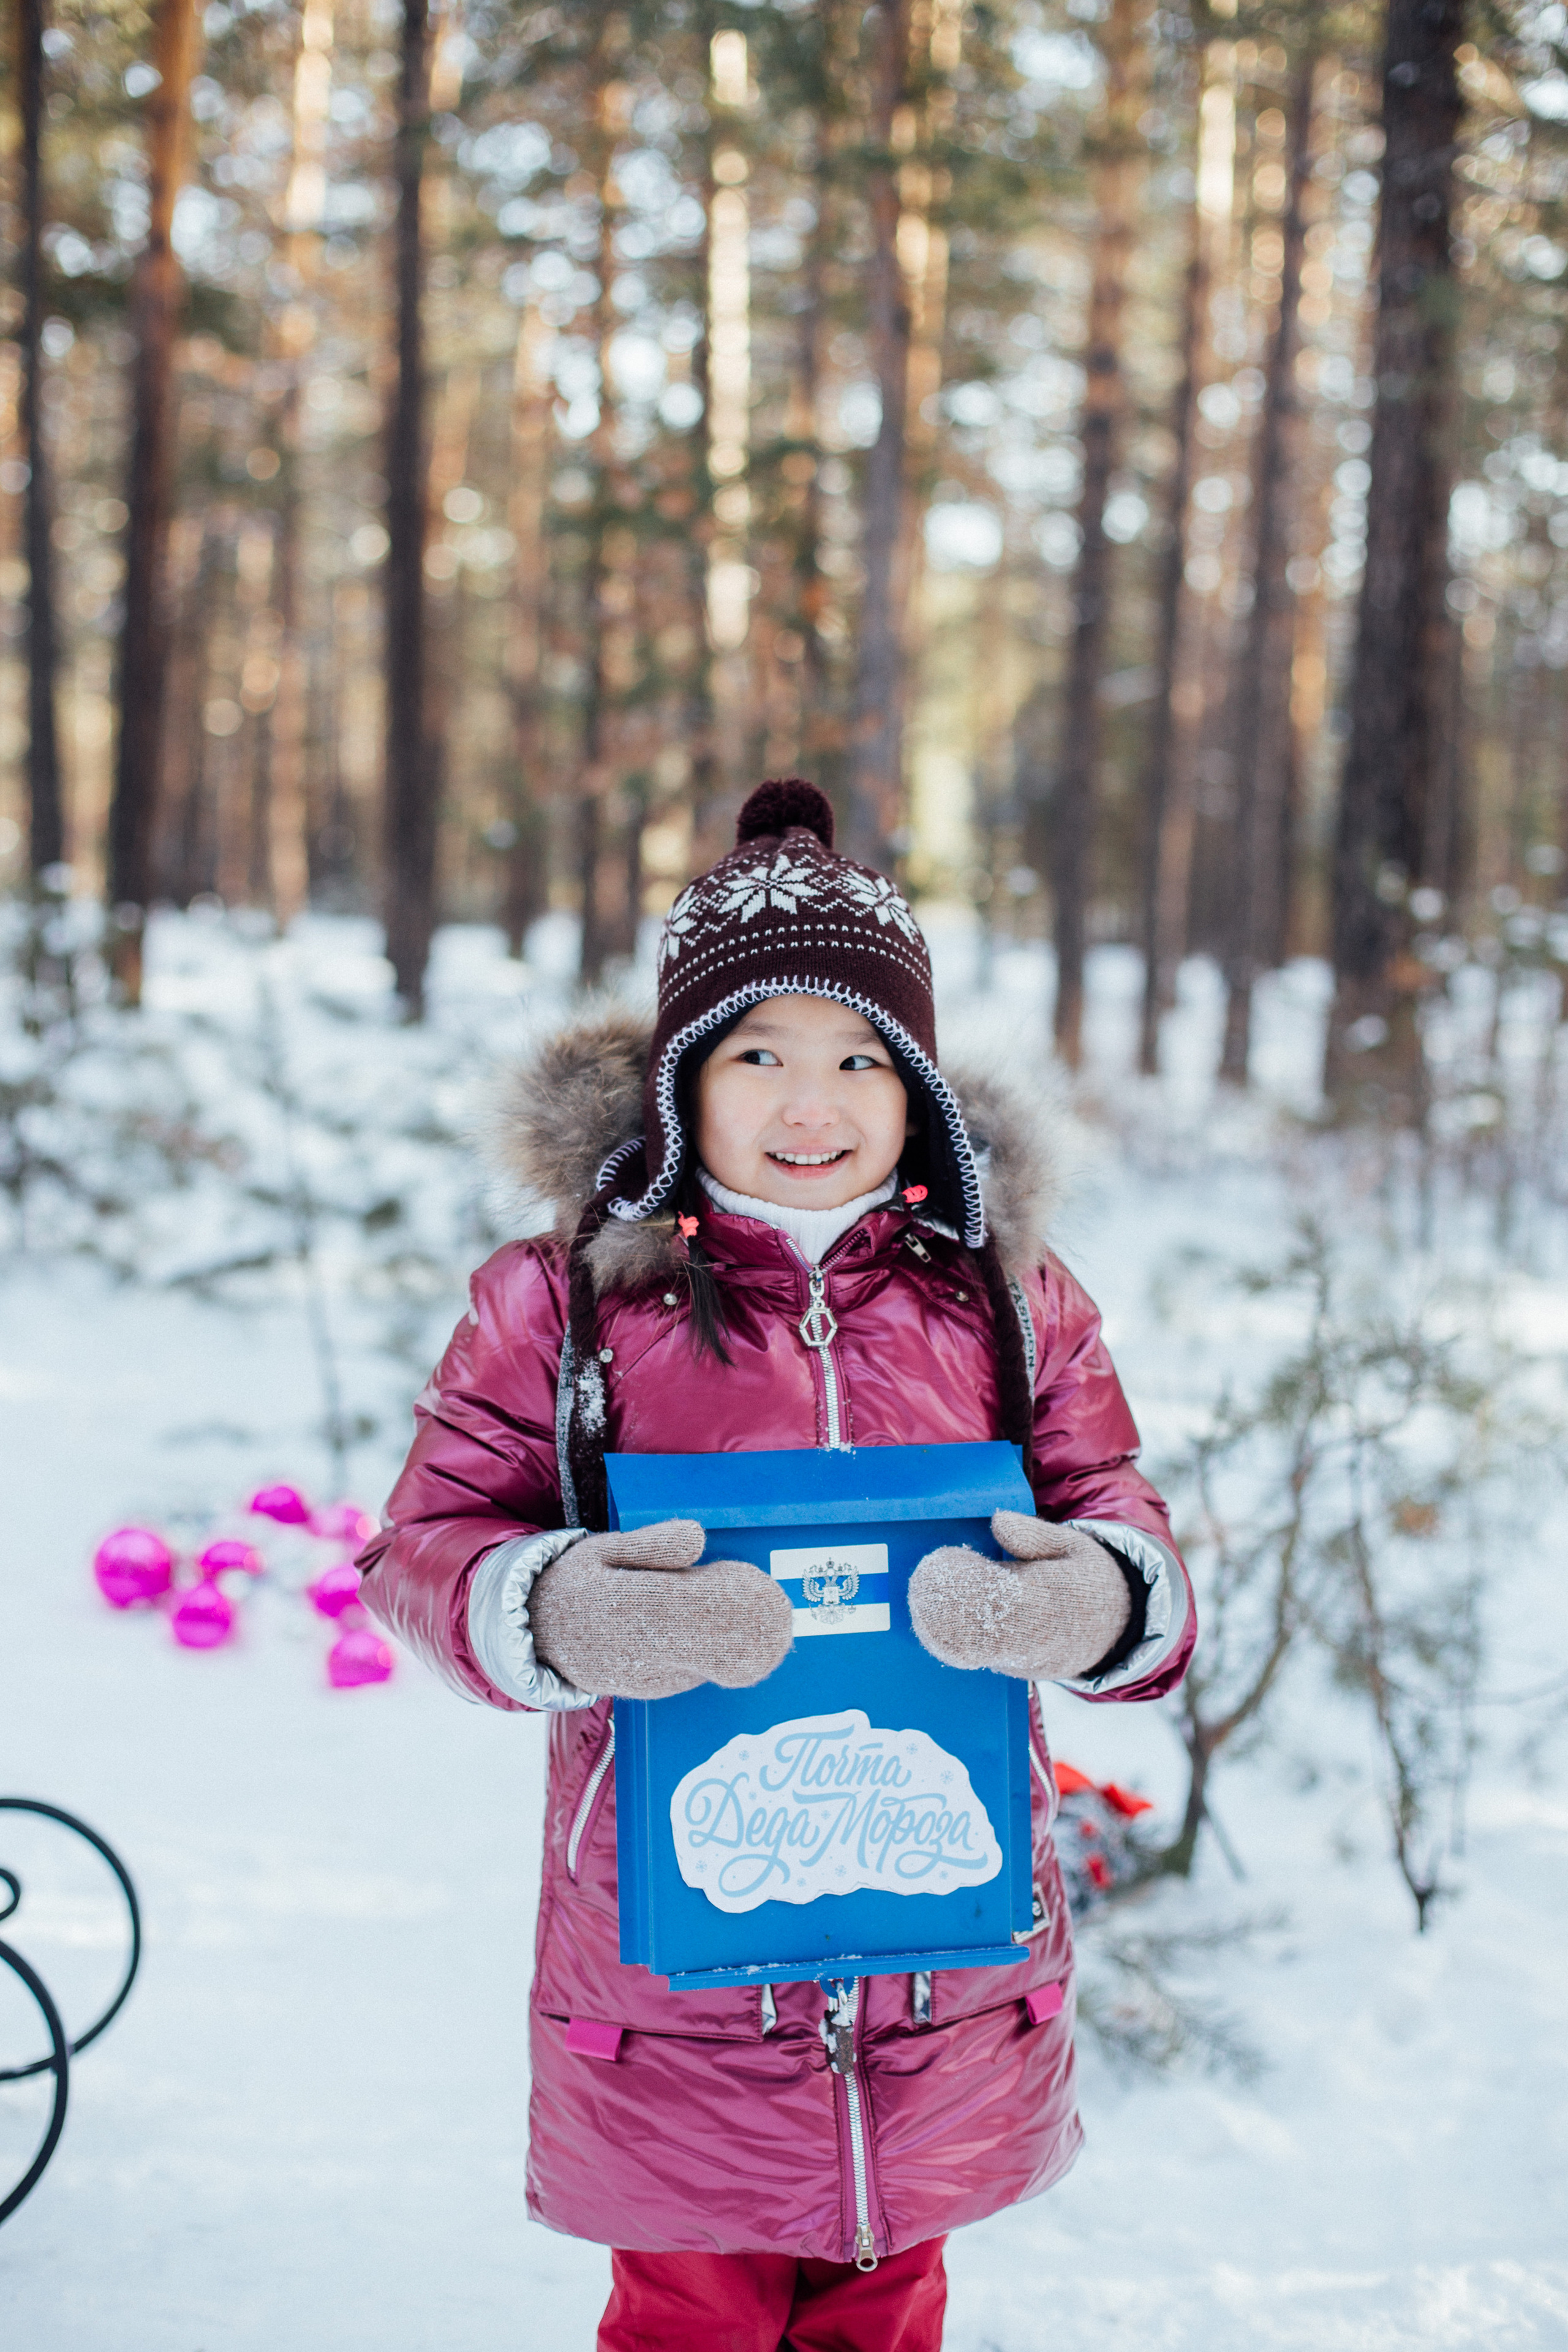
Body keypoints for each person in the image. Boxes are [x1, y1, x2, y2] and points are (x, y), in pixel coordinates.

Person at [358, 779, 1195, 2352]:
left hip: (938, 1966)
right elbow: (417, 1549)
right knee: (692, 2318)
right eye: (760, 1055)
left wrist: (1091, 1596)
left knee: (889, 2309)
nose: (810, 1104)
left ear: (916, 1090)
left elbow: (1129, 1531)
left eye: (858, 1058)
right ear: (686, 1078)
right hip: (674, 1977)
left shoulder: (1008, 1306)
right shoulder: (566, 1310)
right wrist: (557, 1608)